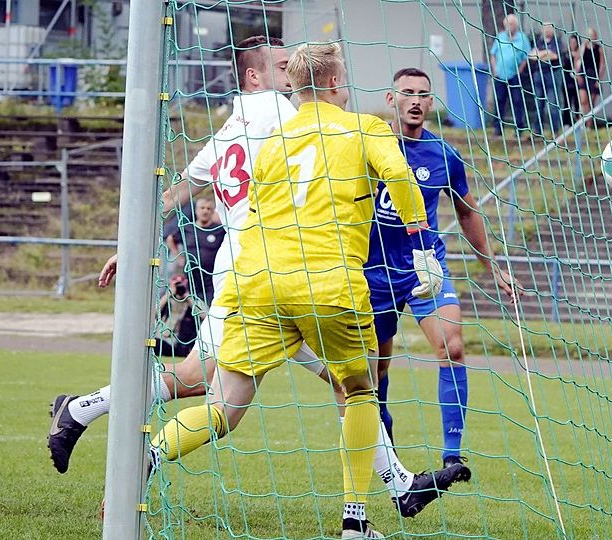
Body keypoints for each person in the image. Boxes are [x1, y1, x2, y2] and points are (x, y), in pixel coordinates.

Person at [48, 37, 463, 522]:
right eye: (282, 66)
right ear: (256, 76)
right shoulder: (289, 116)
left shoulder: (233, 128)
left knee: (241, 394)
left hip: (255, 276)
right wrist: (416, 242)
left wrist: (132, 244)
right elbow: (389, 168)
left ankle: (398, 484)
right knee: (321, 385)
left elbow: (180, 190)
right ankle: (90, 414)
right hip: (306, 275)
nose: (290, 76)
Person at [150, 42, 448, 539]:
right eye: (344, 80)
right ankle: (355, 522)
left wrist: (240, 291)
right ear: (333, 83)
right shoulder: (365, 128)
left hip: (261, 284)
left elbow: (254, 217)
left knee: (224, 404)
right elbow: (397, 173)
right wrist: (420, 241)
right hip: (328, 283)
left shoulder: (274, 141)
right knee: (359, 390)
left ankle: (148, 453)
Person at [374, 67, 520, 469]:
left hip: (425, 267)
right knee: (376, 367)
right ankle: (385, 435)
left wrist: (493, 268)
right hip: (374, 271)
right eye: (407, 92)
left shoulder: (444, 154)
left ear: (431, 102)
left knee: (453, 347)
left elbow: (467, 212)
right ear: (391, 99)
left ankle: (452, 457)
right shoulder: (370, 145)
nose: (415, 101)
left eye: (423, 94)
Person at [167, 197, 225, 306]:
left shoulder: (219, 230)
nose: (205, 211)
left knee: (209, 304)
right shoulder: (188, 228)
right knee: (190, 304)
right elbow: (171, 239)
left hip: (211, 276)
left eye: (208, 208)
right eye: (202, 208)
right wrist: (179, 257)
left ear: (213, 212)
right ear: (196, 210)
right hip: (191, 275)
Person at [489, 13, 531, 136]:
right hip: (500, 75)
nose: (509, 26)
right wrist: (495, 69)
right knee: (499, 100)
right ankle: (498, 128)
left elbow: (526, 56)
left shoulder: (522, 38)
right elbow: (493, 54)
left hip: (514, 75)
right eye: (507, 24)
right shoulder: (500, 37)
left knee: (517, 101)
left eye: (511, 24)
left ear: (516, 25)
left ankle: (519, 128)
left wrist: (520, 69)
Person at [529, 23, 566, 136]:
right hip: (539, 74)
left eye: (550, 28)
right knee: (538, 103)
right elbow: (531, 56)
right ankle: (537, 131)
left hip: (553, 74)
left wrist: (539, 54)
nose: (547, 30)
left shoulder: (557, 42)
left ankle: (555, 130)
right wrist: (546, 53)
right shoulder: (538, 42)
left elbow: (554, 56)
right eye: (545, 27)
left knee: (553, 103)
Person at [154, 275, 198, 358]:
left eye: (181, 282)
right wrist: (168, 294)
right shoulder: (165, 299)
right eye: (176, 282)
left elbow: (204, 315)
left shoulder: (191, 301)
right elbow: (154, 313)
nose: (179, 285)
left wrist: (188, 297)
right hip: (162, 339)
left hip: (181, 342)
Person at [576, 28, 606, 127]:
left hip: (593, 76)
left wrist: (599, 79)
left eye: (593, 35)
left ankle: (589, 124)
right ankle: (580, 123)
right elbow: (577, 60)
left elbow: (602, 65)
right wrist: (578, 74)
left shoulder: (599, 49)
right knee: (583, 100)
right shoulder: (583, 47)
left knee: (591, 102)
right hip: (583, 75)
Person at [562, 34, 581, 125]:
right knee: (567, 103)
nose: (573, 44)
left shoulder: (581, 54)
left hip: (577, 82)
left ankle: (578, 122)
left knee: (577, 103)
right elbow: (564, 66)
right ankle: (566, 123)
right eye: (571, 42)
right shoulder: (566, 54)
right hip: (567, 82)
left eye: (574, 42)